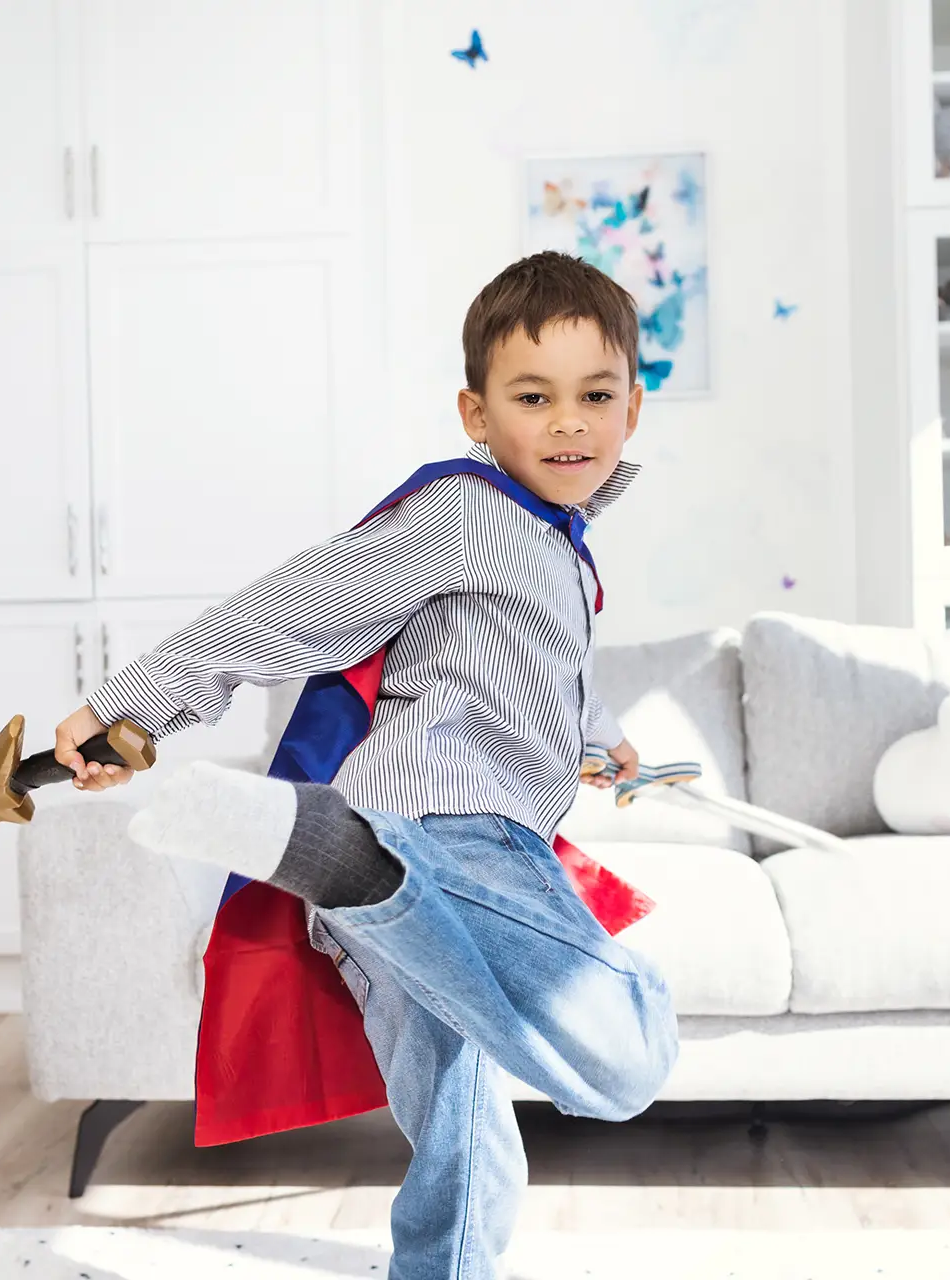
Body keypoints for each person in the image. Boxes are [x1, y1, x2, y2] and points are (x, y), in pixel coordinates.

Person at [52, 250, 678, 1279]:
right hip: (452, 834)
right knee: (628, 1055)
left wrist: (602, 742)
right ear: (476, 413)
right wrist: (132, 704)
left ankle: (347, 875)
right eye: (534, 396)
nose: (569, 421)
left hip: (399, 886)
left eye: (594, 395)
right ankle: (350, 858)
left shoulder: (554, 547)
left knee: (462, 1131)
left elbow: (532, 674)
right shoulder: (472, 513)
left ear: (632, 410)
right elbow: (300, 603)